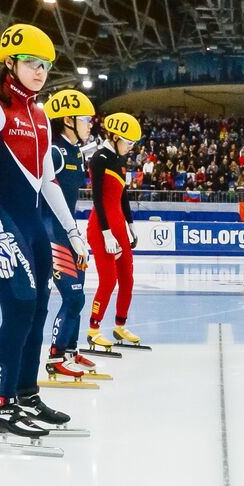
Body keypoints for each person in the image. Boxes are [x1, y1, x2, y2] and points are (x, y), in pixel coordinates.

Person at [0, 23, 87, 438]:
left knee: (37, 309)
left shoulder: (39, 114)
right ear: (10, 62)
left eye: (46, 65)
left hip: (34, 226)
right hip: (3, 224)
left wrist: (73, 232)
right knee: (18, 307)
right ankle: (2, 406)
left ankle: (26, 393)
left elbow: (49, 181)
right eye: (32, 63)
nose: (40, 71)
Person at [41, 89, 95, 379]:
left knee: (79, 295)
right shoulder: (53, 152)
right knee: (72, 298)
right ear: (68, 120)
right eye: (86, 120)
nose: (90, 125)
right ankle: (55, 356)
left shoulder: (76, 152)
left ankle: (71, 351)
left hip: (70, 232)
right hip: (52, 234)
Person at [86, 113, 142, 349]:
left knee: (127, 280)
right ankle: (93, 329)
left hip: (118, 225)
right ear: (116, 136)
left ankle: (120, 325)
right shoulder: (99, 158)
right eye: (128, 143)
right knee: (108, 281)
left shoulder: (120, 160)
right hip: (101, 227)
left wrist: (130, 225)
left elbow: (123, 195)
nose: (130, 149)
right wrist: (107, 232)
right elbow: (98, 198)